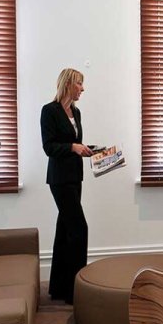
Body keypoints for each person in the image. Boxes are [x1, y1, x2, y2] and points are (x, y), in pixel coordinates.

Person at [40, 68, 93, 304]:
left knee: (64, 229)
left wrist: (87, 150)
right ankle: (76, 291)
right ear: (68, 84)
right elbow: (49, 147)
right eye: (79, 83)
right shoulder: (49, 111)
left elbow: (75, 143)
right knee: (79, 229)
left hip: (75, 177)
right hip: (59, 180)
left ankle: (59, 287)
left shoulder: (76, 112)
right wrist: (73, 147)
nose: (83, 88)